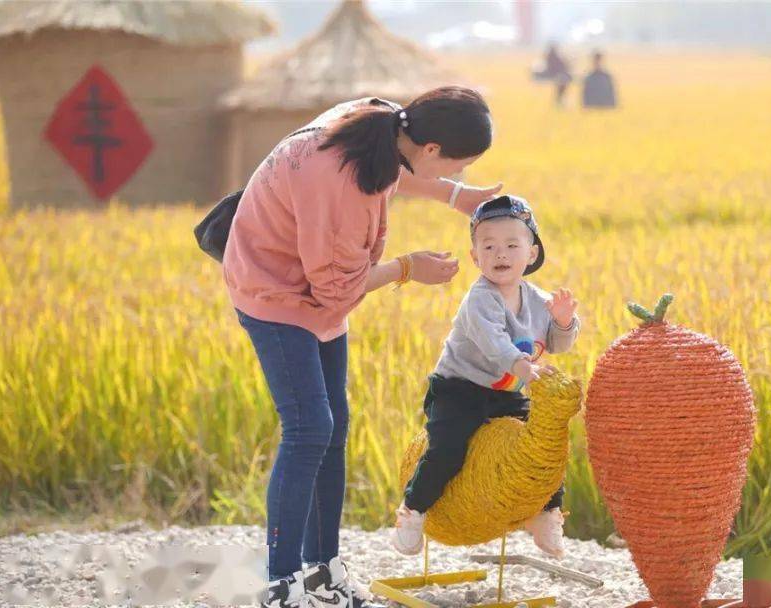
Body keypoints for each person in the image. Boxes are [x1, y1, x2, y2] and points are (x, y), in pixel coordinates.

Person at [222, 86, 503, 608]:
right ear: (433, 148)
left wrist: (453, 196)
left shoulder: (384, 123)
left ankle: (323, 573)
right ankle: (282, 587)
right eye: (459, 167)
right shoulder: (338, 178)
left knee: (334, 427)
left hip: (316, 290)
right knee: (310, 429)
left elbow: (394, 170)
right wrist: (407, 268)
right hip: (274, 291)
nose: (458, 173)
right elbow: (337, 286)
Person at [390, 194, 581, 559]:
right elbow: (495, 344)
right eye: (489, 246)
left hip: (506, 393)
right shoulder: (479, 300)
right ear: (475, 256)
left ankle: (547, 513)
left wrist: (562, 320)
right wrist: (526, 368)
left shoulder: (538, 299)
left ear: (532, 253)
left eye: (512, 245)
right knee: (448, 448)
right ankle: (413, 511)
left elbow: (557, 344)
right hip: (458, 389)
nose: (500, 254)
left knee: (546, 443)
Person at [533, 42, 572, 107]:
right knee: (562, 85)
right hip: (556, 75)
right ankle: (559, 101)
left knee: (562, 85)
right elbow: (564, 67)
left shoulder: (550, 56)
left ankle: (559, 101)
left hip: (555, 75)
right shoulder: (555, 57)